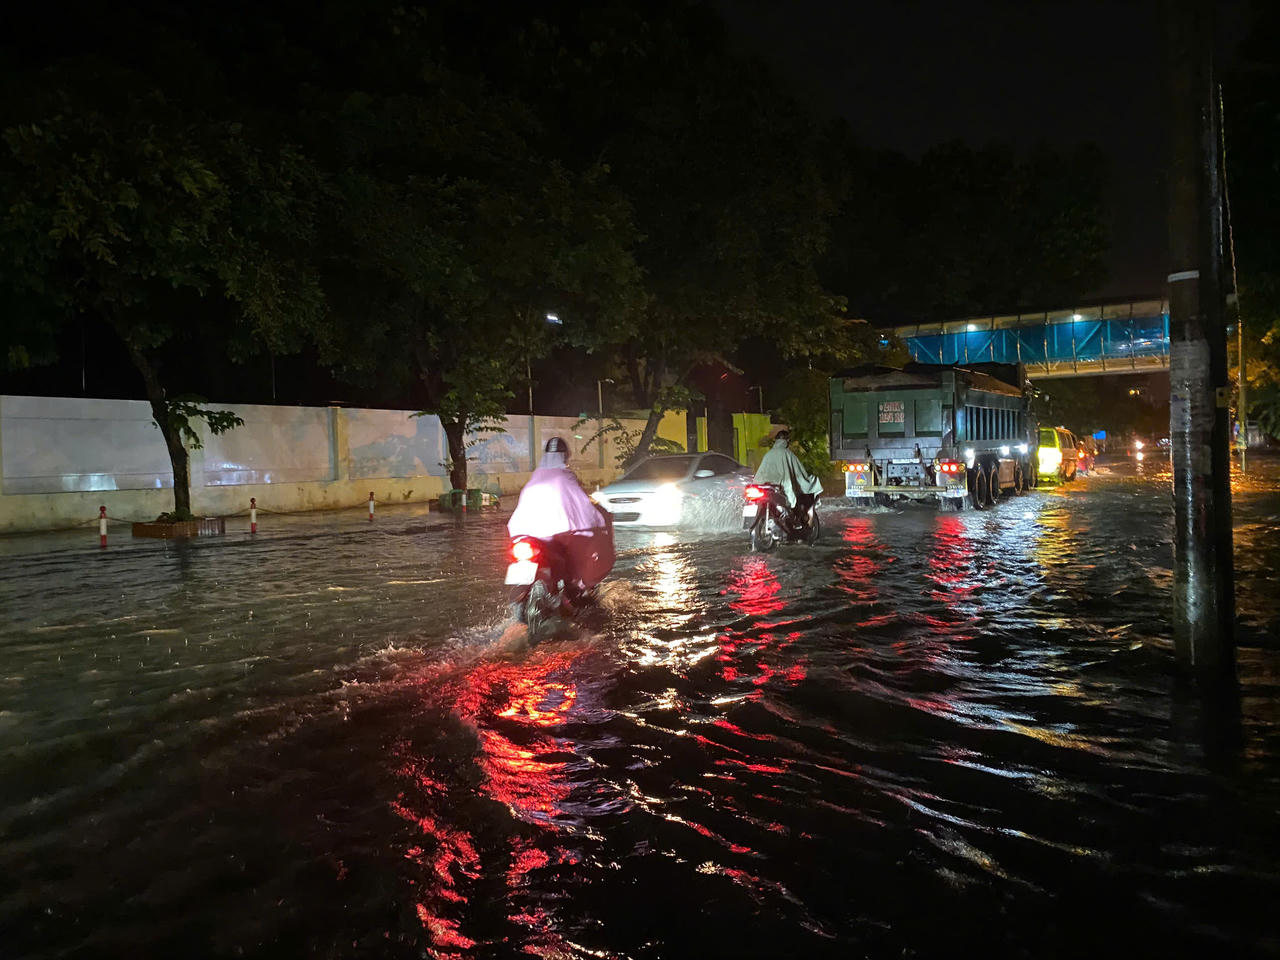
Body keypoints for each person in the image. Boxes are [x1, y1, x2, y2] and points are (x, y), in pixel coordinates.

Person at [507, 437, 615, 603]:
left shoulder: (535, 477)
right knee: (575, 558)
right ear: (565, 455)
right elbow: (581, 504)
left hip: (526, 534)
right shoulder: (566, 476)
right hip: (558, 535)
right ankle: (573, 592)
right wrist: (597, 517)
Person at [753, 430, 823, 513]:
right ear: (787, 441)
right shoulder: (788, 454)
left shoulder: (768, 454)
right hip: (781, 489)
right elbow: (799, 474)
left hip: (763, 486)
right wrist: (809, 480)